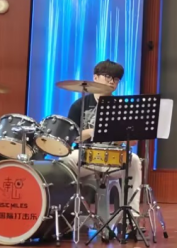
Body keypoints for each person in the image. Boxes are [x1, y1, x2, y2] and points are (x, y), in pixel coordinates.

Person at [61, 60, 143, 226]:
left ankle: (130, 218)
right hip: (85, 156)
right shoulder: (80, 105)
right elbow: (70, 137)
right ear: (95, 77)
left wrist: (118, 135)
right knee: (63, 162)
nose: (112, 82)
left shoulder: (121, 107)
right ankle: (66, 214)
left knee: (134, 161)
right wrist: (92, 131)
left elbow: (132, 141)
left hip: (111, 156)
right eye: (108, 77)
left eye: (116, 79)